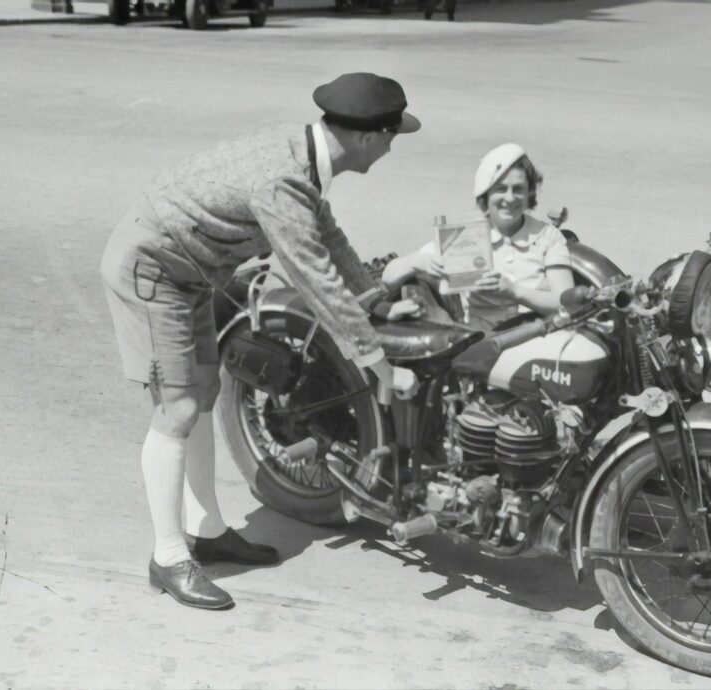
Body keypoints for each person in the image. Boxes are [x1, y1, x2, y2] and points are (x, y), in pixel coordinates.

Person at [100, 73, 422, 610]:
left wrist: (377, 301)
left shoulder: (303, 159)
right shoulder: (284, 182)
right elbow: (313, 277)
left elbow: (331, 241)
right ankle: (169, 556)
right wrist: (382, 366)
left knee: (202, 394)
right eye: (392, 135)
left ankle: (205, 531)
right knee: (177, 408)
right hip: (154, 267)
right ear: (368, 138)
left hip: (190, 271)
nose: (392, 147)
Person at [382, 143, 574, 331]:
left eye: (518, 189)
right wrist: (420, 261)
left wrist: (515, 292)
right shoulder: (465, 233)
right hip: (481, 347)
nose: (509, 198)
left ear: (529, 192)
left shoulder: (548, 236)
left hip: (539, 338)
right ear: (485, 194)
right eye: (500, 189)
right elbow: (388, 277)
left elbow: (568, 302)